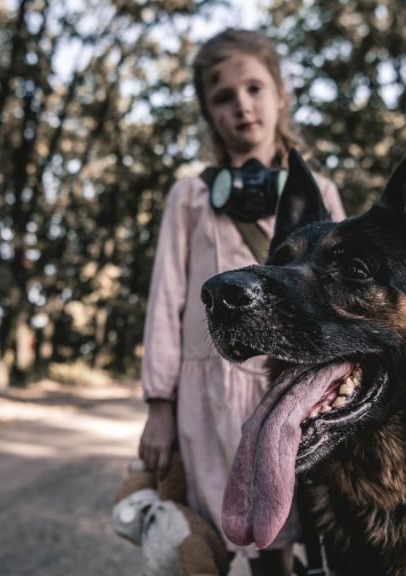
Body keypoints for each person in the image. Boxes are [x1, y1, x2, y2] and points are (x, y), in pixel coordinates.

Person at [137, 29, 346, 576]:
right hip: (212, 393)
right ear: (208, 113)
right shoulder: (191, 197)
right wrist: (160, 404)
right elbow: (166, 300)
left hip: (296, 382)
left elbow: (344, 290)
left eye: (254, 88)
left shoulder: (318, 189)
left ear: (280, 93)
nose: (242, 106)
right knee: (258, 536)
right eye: (223, 97)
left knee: (322, 524)